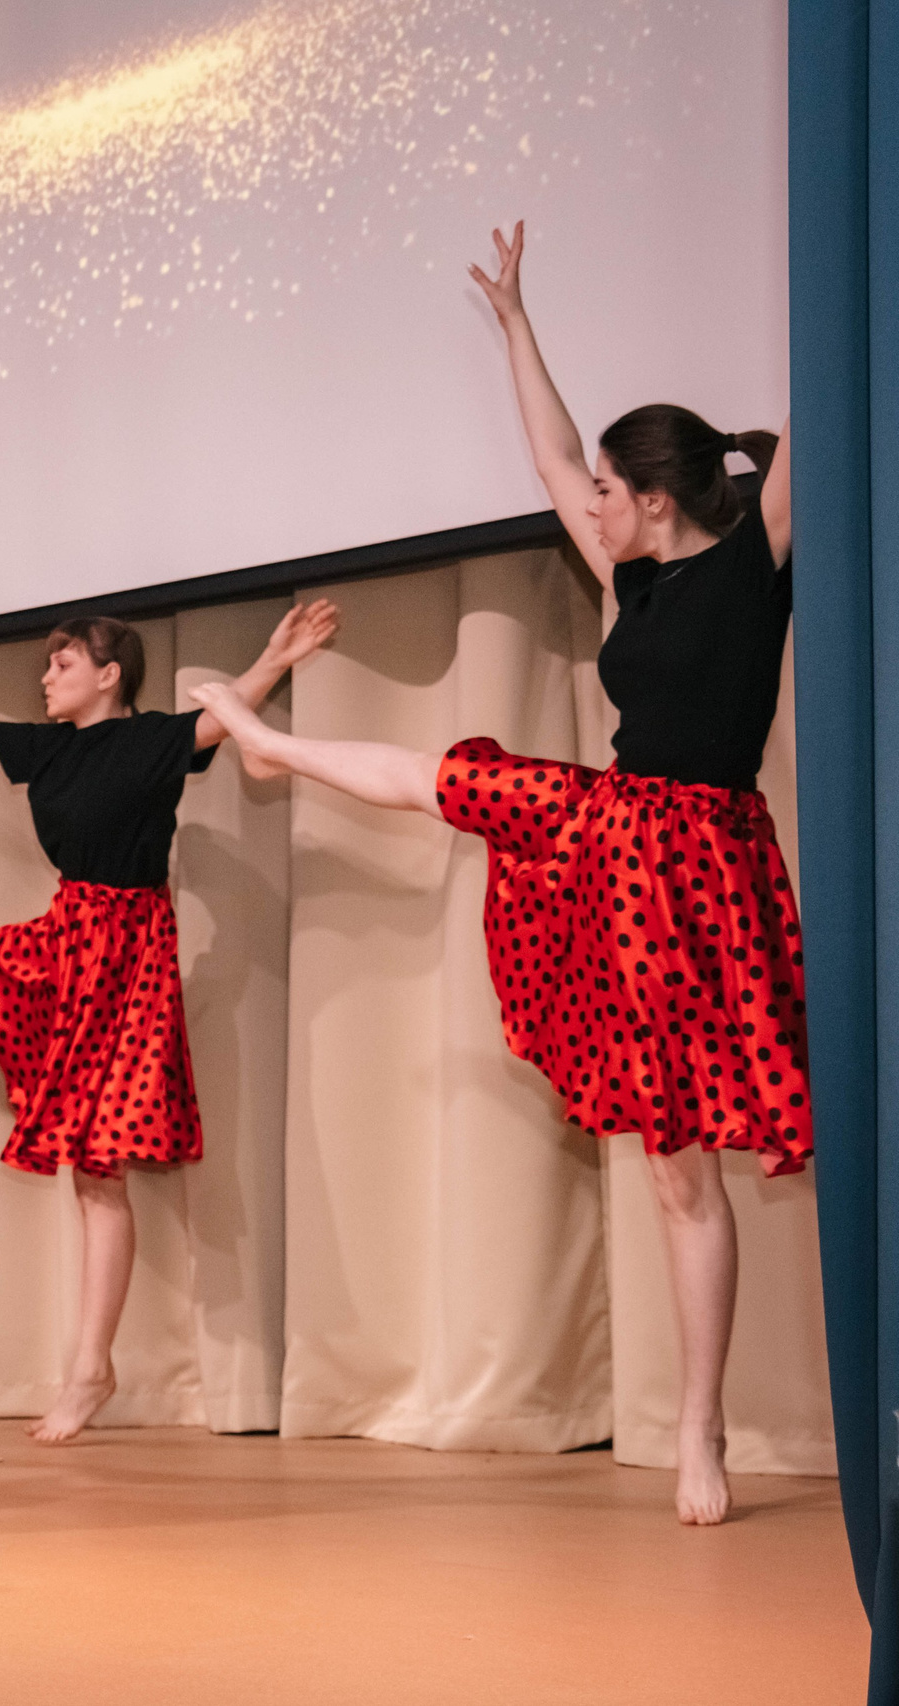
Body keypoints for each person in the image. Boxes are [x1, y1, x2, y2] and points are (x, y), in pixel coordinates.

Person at [191, 221, 799, 1526]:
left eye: (609, 497)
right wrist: (519, 321)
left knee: (683, 1167)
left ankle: (701, 1435)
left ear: (654, 499)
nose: (590, 507)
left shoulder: (753, 566)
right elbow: (552, 454)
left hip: (701, 865)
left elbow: (812, 397)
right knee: (439, 778)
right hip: (613, 837)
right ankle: (265, 738)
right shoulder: (627, 582)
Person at [0, 602, 339, 1443]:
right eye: (47, 666)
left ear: (108, 674)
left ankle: (90, 1369)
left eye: (63, 663)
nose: (46, 677)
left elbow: (220, 723)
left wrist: (273, 656)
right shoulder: (48, 748)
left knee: (98, 1172)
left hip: (128, 959)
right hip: (70, 933)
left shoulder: (149, 741)